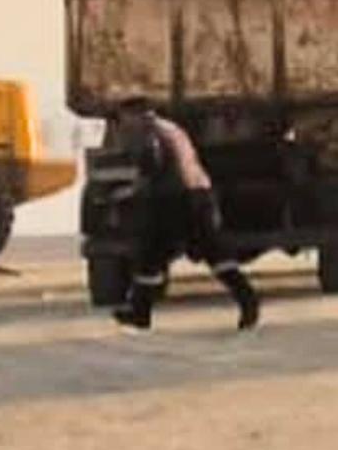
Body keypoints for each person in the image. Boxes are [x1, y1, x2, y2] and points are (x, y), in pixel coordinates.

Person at [111, 97, 259, 331]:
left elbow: (152, 162)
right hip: (196, 195)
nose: (122, 123)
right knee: (159, 255)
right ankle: (139, 313)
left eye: (123, 117)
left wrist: (134, 189)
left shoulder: (149, 132)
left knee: (158, 253)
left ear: (136, 114)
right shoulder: (171, 128)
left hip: (177, 200)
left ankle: (248, 301)